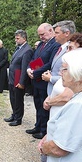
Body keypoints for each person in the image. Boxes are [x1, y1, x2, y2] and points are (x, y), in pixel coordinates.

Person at [39, 33, 81, 162]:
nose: (60, 73)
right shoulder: (77, 96)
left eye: (64, 69)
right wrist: (50, 135)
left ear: (77, 74)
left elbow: (58, 148)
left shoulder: (78, 105)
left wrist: (44, 148)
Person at [26, 23, 60, 139]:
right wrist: (29, 69)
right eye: (39, 35)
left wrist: (35, 72)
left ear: (50, 31)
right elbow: (34, 58)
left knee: (43, 106)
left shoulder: (55, 44)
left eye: (43, 34)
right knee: (37, 104)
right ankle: (38, 125)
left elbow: (49, 63)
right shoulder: (41, 44)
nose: (41, 37)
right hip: (35, 80)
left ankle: (43, 130)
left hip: (44, 81)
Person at [4, 30, 33, 126]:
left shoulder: (27, 50)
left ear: (24, 38)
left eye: (17, 38)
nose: (15, 40)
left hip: (18, 78)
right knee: (12, 98)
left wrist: (21, 82)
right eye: (15, 38)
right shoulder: (18, 48)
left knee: (18, 99)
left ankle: (18, 118)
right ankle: (14, 114)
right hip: (13, 77)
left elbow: (25, 68)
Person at [42, 20, 76, 96]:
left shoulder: (73, 50)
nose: (54, 35)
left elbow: (73, 77)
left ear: (67, 33)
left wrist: (51, 78)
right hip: (53, 92)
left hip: (63, 94)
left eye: (57, 33)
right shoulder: (61, 48)